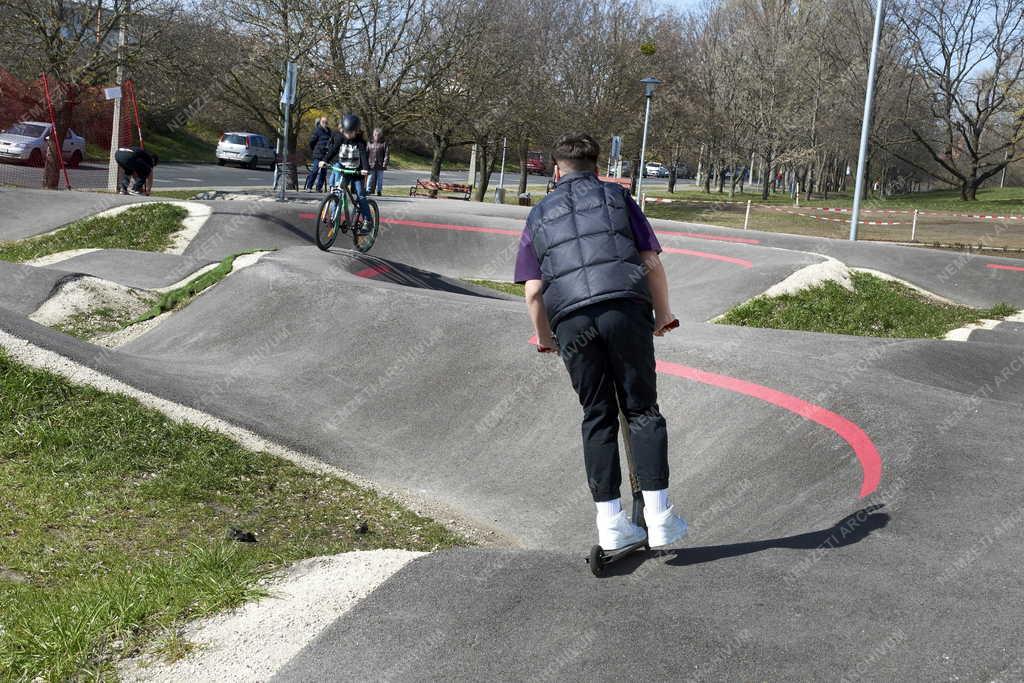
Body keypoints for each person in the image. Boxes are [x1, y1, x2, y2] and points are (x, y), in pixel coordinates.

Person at [513, 132, 687, 552]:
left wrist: (545, 338)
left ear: (556, 171)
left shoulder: (538, 214)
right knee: (642, 409)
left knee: (597, 415)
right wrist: (662, 314)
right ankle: (659, 518)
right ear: (598, 168)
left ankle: (610, 524)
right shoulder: (619, 200)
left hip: (572, 320)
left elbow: (534, 291)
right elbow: (651, 264)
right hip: (624, 309)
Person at [320, 114, 372, 229]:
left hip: (357, 173)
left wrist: (365, 169)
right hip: (344, 169)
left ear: (357, 131)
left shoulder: (360, 142)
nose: (348, 135)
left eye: (350, 132)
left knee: (361, 195)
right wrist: (324, 160)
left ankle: (367, 221)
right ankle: (333, 218)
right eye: (346, 132)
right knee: (338, 192)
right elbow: (333, 150)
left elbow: (363, 156)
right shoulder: (340, 138)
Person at [305, 116, 333, 192]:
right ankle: (309, 187)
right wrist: (316, 149)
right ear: (320, 122)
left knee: (323, 173)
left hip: (326, 155)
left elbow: (332, 142)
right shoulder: (317, 130)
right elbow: (312, 142)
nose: (325, 123)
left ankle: (318, 188)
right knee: (314, 171)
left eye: (326, 122)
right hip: (318, 154)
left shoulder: (330, 131)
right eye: (323, 122)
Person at [366, 128, 389, 196]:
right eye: (375, 134)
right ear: (373, 135)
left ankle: (379, 191)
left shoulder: (384, 144)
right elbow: (366, 153)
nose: (377, 136)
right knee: (370, 178)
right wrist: (365, 163)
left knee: (380, 179)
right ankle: (368, 190)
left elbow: (386, 154)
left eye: (378, 135)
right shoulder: (370, 143)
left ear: (380, 135)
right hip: (371, 164)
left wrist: (385, 163)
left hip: (380, 164)